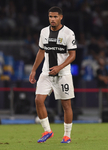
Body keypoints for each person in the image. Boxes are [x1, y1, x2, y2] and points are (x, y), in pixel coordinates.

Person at [29, 6, 76, 143]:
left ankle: (67, 135)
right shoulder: (44, 32)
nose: (52, 19)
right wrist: (33, 70)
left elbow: (73, 55)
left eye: (55, 17)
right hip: (46, 73)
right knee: (38, 100)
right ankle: (47, 131)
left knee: (66, 105)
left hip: (63, 74)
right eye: (50, 17)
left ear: (61, 17)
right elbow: (41, 52)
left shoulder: (68, 33)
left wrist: (59, 67)